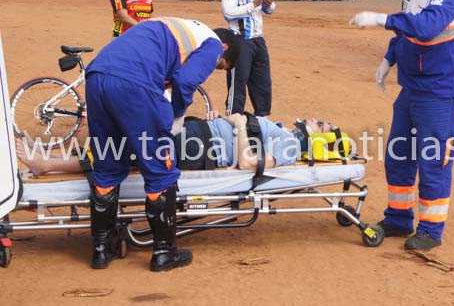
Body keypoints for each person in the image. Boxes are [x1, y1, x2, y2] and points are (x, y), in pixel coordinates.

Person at [83, 17, 241, 272]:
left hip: (97, 77)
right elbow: (185, 81)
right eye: (220, 66)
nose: (214, 68)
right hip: (134, 84)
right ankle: (164, 253)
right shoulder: (212, 44)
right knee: (160, 171)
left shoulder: (175, 27)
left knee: (107, 165)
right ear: (225, 48)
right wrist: (177, 115)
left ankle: (102, 250)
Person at [349, 0, 454, 251]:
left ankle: (430, 230)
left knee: (434, 159)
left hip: (441, 88)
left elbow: (425, 26)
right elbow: (407, 29)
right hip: (414, 85)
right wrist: (389, 58)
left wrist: (380, 19)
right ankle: (399, 218)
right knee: (399, 154)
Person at [16, 117, 341, 175]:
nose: (316, 119)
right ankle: (50, 155)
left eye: (323, 124)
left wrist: (240, 126)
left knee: (127, 149)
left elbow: (246, 163)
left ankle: (46, 164)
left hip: (199, 148)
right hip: (198, 134)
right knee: (124, 137)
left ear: (318, 140)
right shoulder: (284, 132)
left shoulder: (290, 148)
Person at [221, 0, 276, 117]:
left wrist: (268, 4)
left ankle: (262, 119)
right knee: (238, 84)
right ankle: (233, 119)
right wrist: (253, 5)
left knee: (263, 83)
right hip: (239, 40)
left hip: (258, 39)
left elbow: (268, 10)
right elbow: (228, 13)